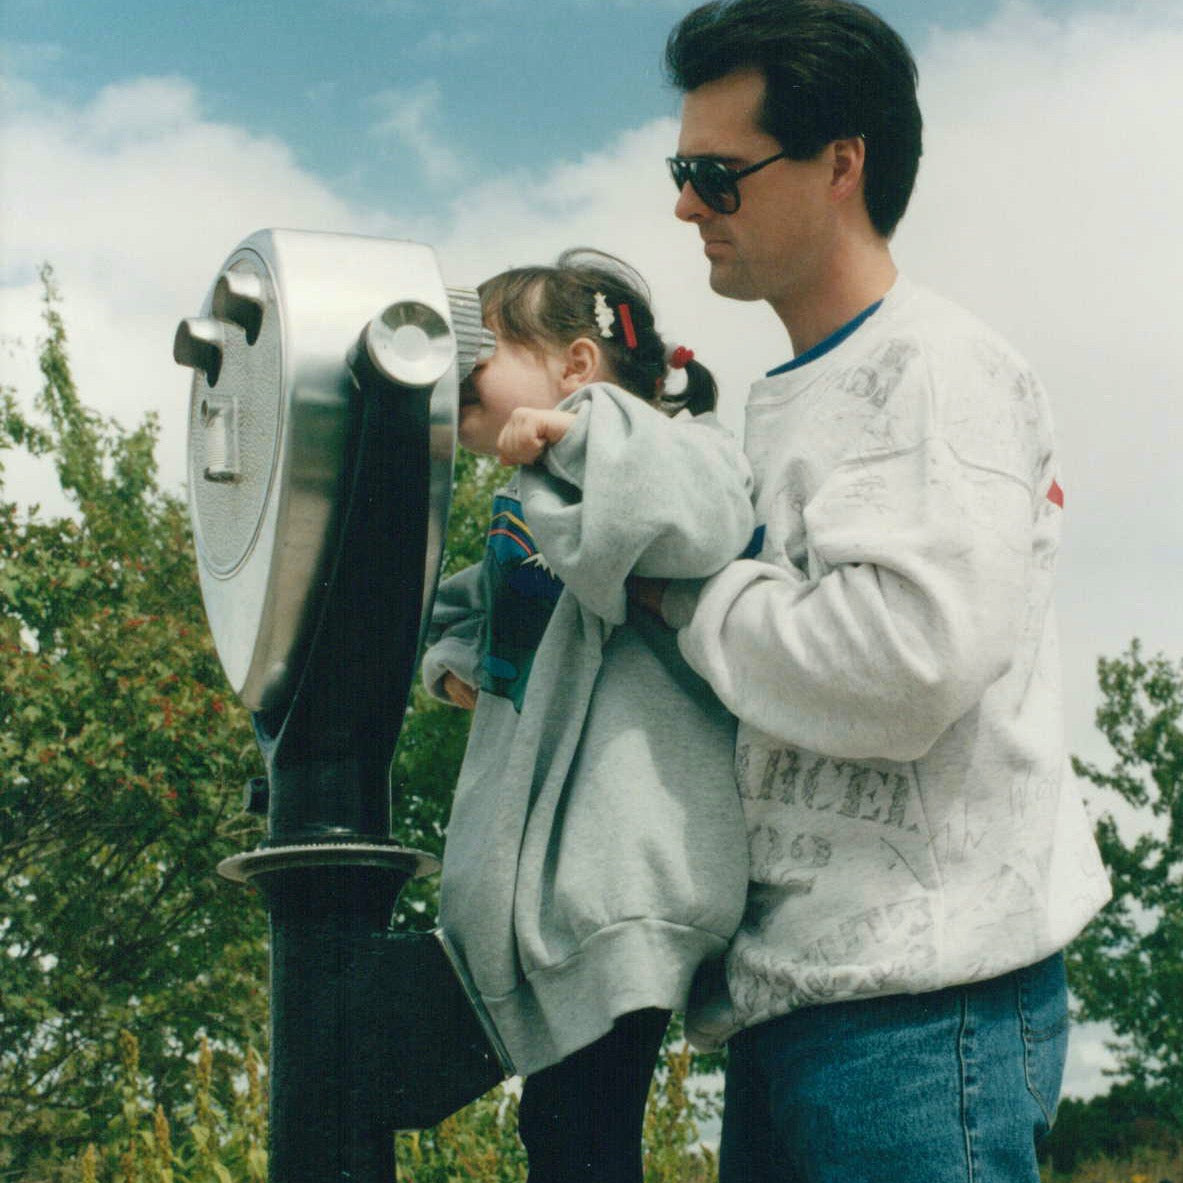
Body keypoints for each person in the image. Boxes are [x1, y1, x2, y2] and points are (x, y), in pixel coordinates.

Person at [640, 2, 1114, 1180]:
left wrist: (680, 596)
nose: (686, 205)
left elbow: (903, 666)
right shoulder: (795, 393)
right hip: (798, 1004)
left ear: (841, 162)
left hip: (920, 1019)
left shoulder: (936, 370)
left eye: (716, 174)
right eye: (681, 171)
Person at [421, 249, 755, 1182]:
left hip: (628, 876)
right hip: (559, 893)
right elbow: (455, 612)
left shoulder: (667, 448)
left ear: (574, 365)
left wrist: (583, 431)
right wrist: (458, 671)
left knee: (581, 1130)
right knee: (564, 1133)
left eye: (480, 352)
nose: (459, 379)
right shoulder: (528, 502)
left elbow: (699, 516)